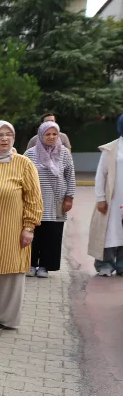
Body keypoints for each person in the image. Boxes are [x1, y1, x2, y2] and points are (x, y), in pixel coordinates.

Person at [0, 121, 42, 331]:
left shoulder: (23, 164)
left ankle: (3, 318)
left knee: (8, 272)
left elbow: (34, 198)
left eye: (9, 135)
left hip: (11, 230)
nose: (5, 138)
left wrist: (29, 227)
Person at [24, 121, 75, 278]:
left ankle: (45, 266)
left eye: (55, 134)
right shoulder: (30, 154)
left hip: (56, 201)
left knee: (51, 235)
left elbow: (70, 176)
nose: (51, 137)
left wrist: (69, 198)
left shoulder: (64, 153)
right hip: (35, 201)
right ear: (41, 135)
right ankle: (31, 264)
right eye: (48, 134)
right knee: (34, 232)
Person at [90, 114, 123, 276]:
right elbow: (100, 175)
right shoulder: (111, 149)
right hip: (113, 199)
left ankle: (122, 265)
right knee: (109, 231)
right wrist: (101, 198)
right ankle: (105, 264)